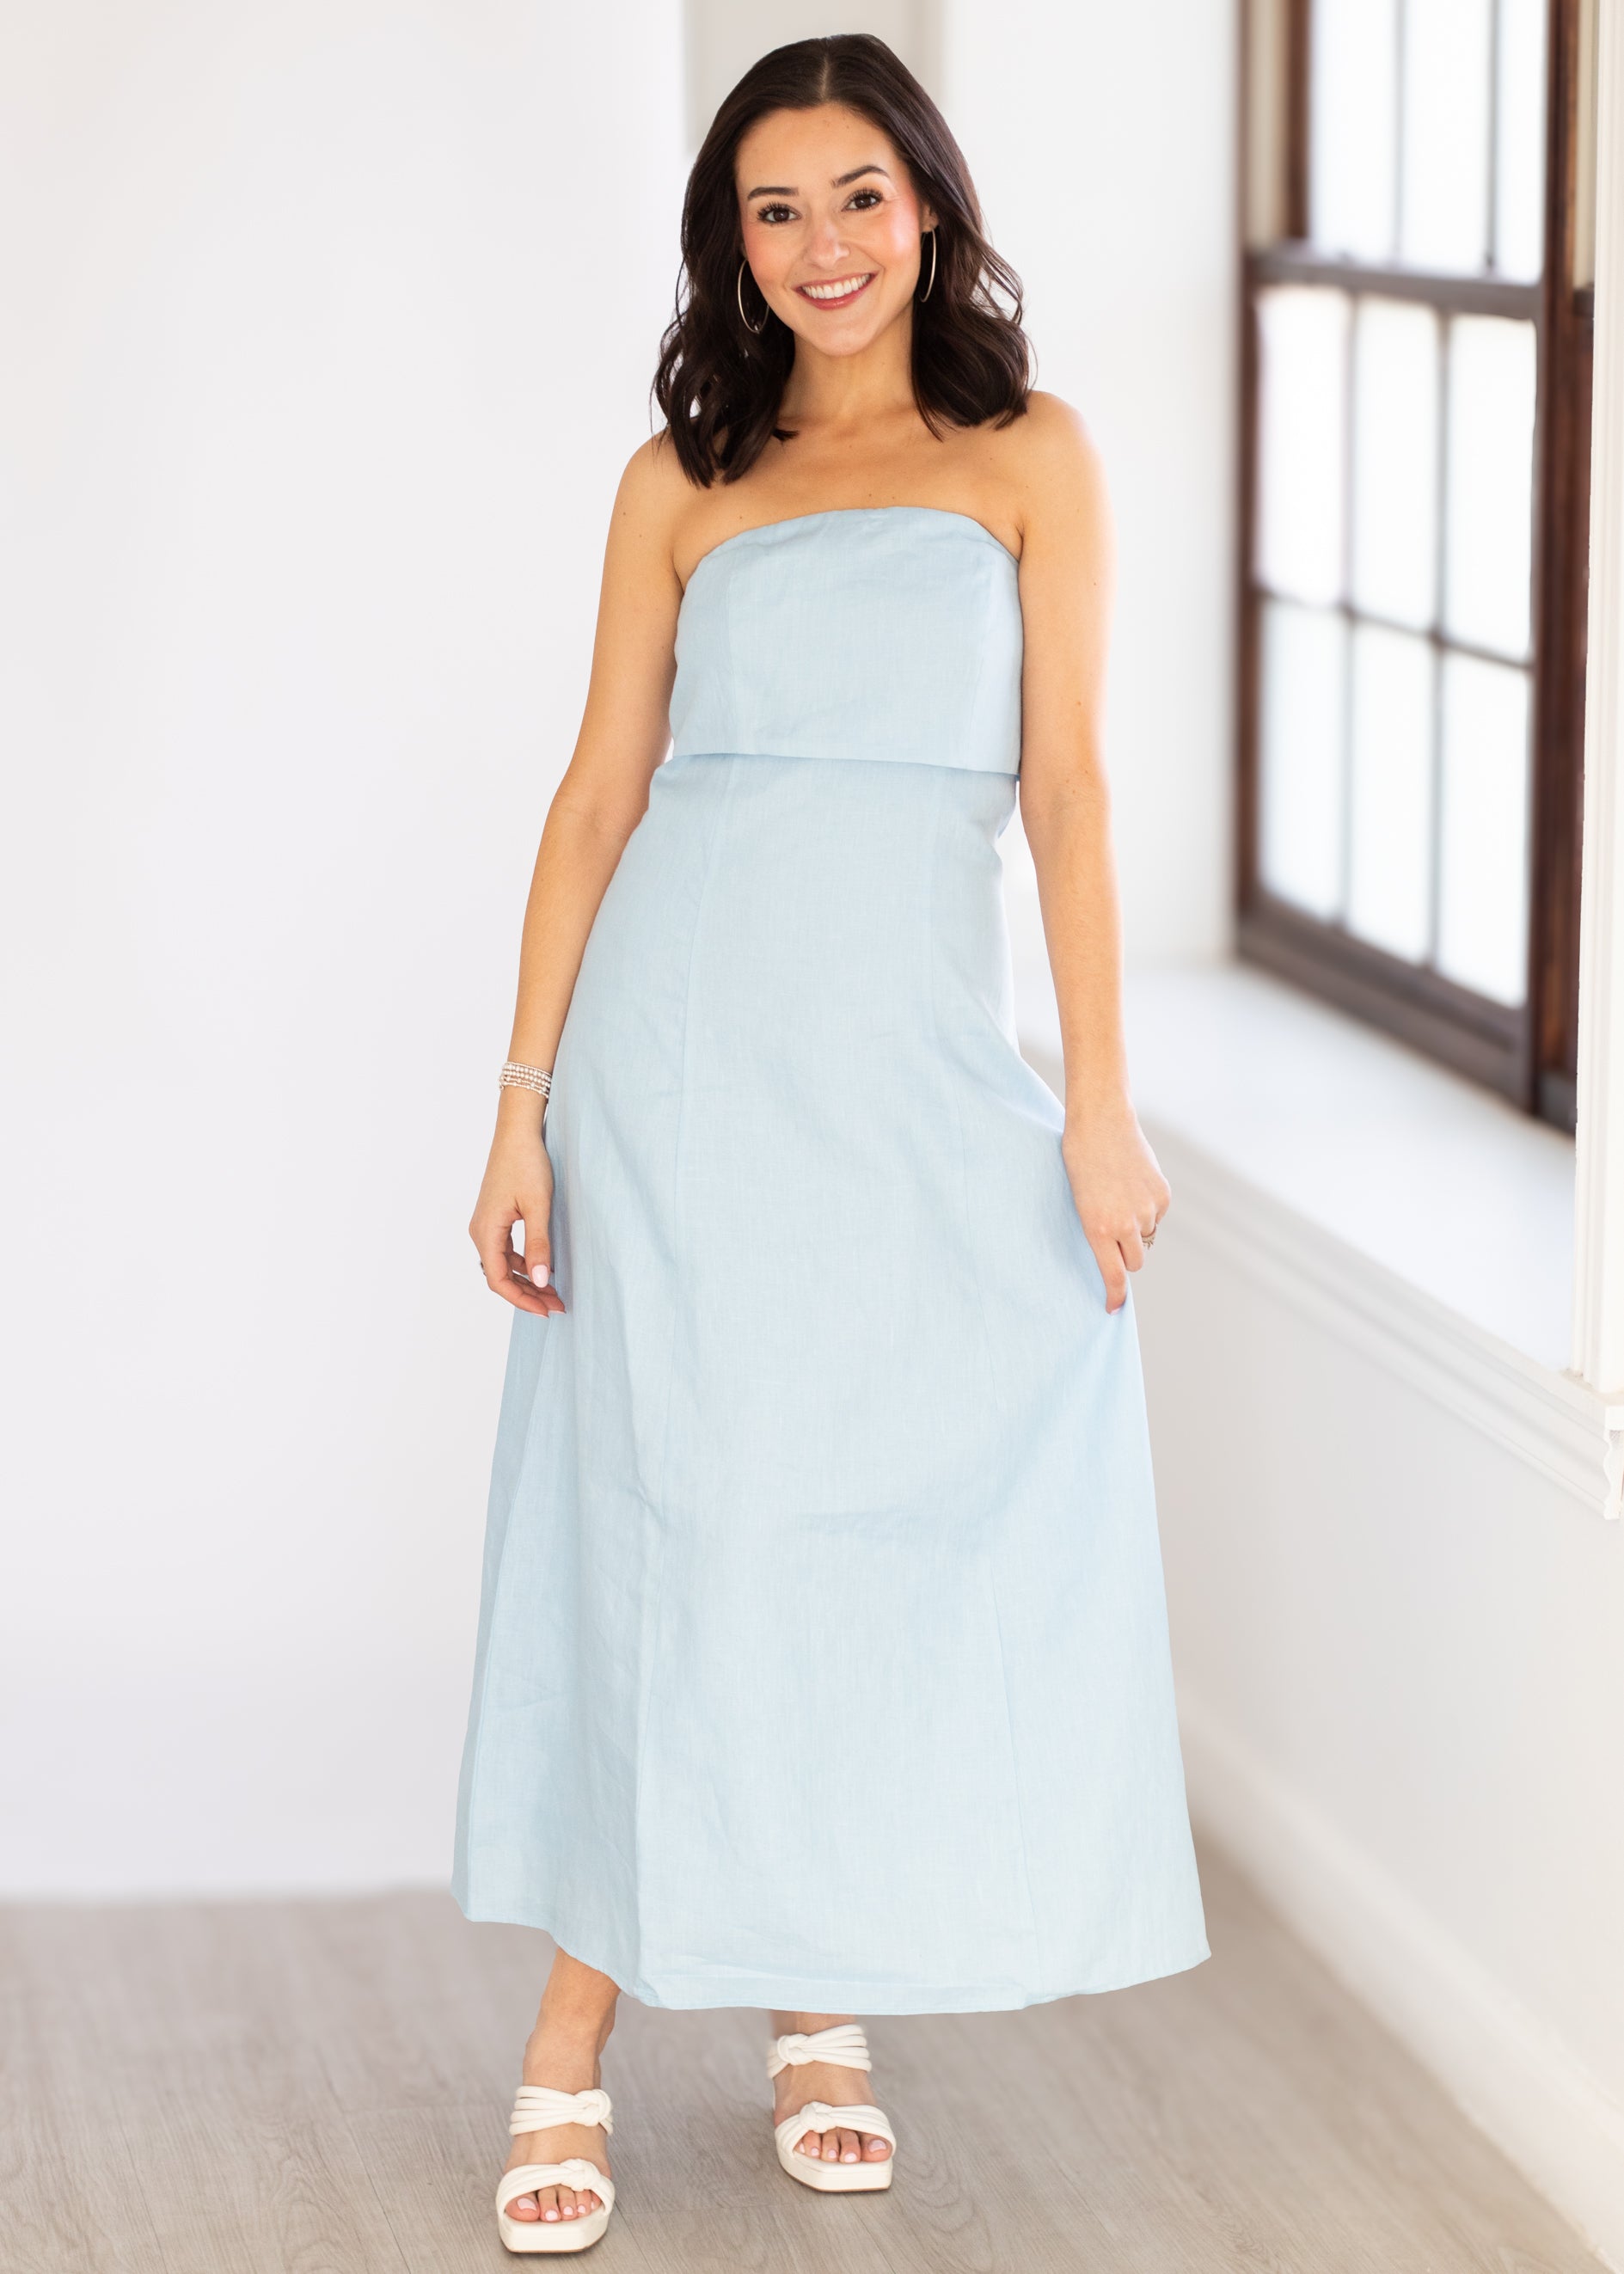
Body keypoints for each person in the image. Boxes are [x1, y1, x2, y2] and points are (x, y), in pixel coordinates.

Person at [457, 32, 1208, 2254]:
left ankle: (817, 1996)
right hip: (678, 1064)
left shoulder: (1029, 458)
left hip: (909, 1067)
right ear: (731, 244)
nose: (821, 249)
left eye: (857, 197)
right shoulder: (677, 480)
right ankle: (570, 2041)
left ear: (933, 206)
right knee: (676, 1521)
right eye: (773, 211)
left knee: (862, 1511)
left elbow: (1065, 793)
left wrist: (1092, 1100)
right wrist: (517, 1104)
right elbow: (598, 794)